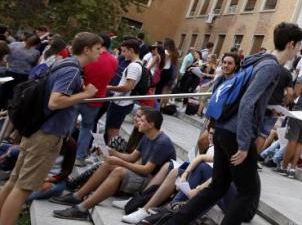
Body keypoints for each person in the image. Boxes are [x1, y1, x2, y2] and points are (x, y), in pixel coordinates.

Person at [166, 22, 302, 225]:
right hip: (235, 134)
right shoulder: (270, 67)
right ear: (291, 44)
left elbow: (249, 99)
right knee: (248, 192)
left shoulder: (260, 60)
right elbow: (248, 102)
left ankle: (172, 223)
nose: (300, 50)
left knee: (218, 187)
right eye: (299, 45)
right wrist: (243, 143)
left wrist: (268, 109)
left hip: (225, 128)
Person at [0, 32, 101, 225]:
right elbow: (55, 102)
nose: (100, 53)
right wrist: (85, 95)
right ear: (86, 50)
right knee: (23, 187)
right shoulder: (72, 71)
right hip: (47, 134)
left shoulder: (61, 63)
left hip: (37, 129)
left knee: (15, 181)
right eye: (97, 49)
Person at [51, 108, 176, 220]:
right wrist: (112, 152)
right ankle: (78, 196)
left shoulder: (161, 143)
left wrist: (120, 162)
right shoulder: (146, 136)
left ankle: (82, 209)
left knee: (118, 170)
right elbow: (132, 157)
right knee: (108, 164)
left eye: (142, 120)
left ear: (151, 124)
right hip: (144, 177)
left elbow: (146, 170)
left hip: (153, 185)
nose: (138, 122)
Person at [120, 125, 218, 224]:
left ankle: (152, 209)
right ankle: (138, 202)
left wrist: (198, 188)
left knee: (180, 171)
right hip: (202, 175)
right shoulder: (212, 146)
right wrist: (185, 175)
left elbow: (217, 174)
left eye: (214, 134)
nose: (210, 137)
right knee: (169, 166)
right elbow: (200, 158)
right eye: (210, 133)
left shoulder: (222, 149)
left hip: (211, 181)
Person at [76, 33, 118, 166]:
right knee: (87, 128)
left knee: (68, 124)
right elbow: (109, 79)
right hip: (95, 99)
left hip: (77, 96)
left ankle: (62, 151)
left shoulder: (87, 57)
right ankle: (80, 157)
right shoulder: (113, 61)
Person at [105, 39, 144, 140]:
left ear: (131, 50)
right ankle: (112, 152)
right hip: (121, 101)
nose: (123, 54)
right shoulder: (136, 64)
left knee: (112, 130)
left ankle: (114, 152)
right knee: (112, 129)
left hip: (121, 103)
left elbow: (128, 86)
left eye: (124, 51)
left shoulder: (134, 66)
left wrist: (110, 87)